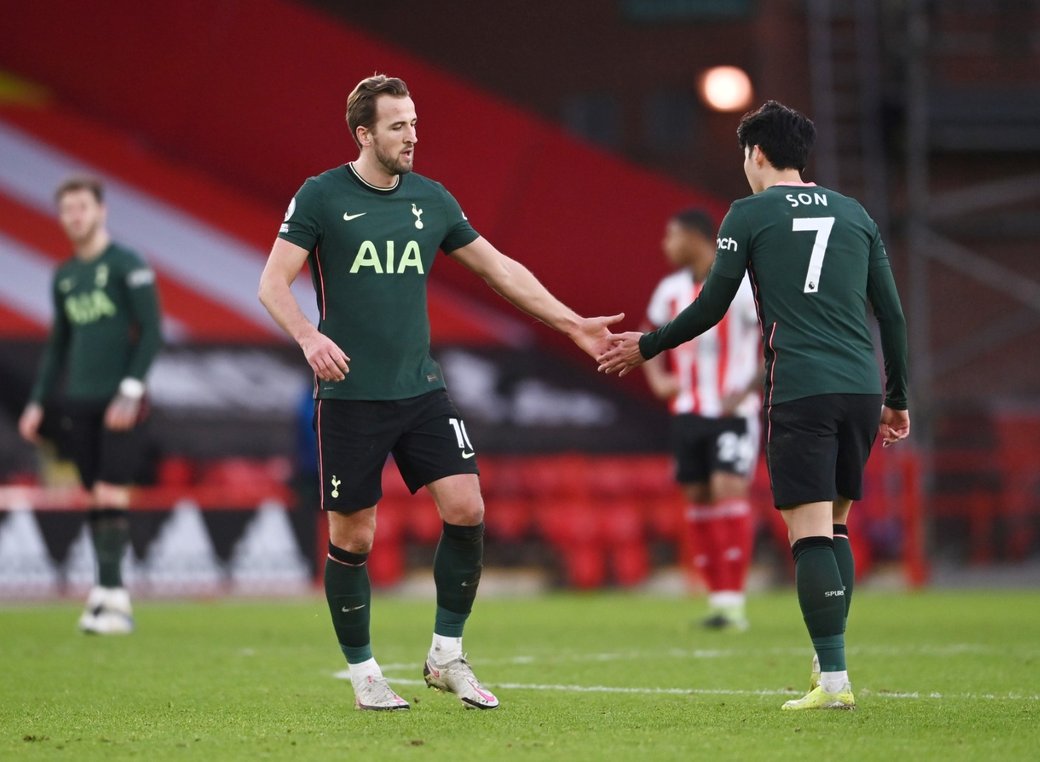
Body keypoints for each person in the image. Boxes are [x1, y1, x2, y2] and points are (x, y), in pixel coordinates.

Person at [258, 74, 622, 711]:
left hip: (421, 389)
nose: (412, 136)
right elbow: (272, 284)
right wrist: (309, 339)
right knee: (355, 538)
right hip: (349, 396)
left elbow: (499, 268)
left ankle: (445, 656)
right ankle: (365, 672)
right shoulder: (321, 196)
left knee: (467, 508)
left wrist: (571, 323)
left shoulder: (431, 200)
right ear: (364, 133)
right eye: (397, 125)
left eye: (414, 122)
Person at [598, 100, 909, 711]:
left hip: (802, 387)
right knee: (836, 523)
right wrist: (897, 397)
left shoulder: (749, 213)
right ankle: (828, 665)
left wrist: (647, 346)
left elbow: (713, 304)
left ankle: (837, 683)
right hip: (860, 387)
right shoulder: (854, 213)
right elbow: (891, 315)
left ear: (756, 155)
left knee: (809, 532)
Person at [18, 175, 163, 635]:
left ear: (101, 210)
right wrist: (38, 402)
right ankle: (103, 593)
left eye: (82, 207)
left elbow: (153, 331)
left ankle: (116, 600)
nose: (75, 216)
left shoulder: (127, 263)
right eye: (67, 209)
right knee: (92, 495)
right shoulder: (64, 276)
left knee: (110, 491)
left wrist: (132, 388)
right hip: (77, 400)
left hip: (120, 400)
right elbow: (58, 344)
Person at [641, 209, 761, 631]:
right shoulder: (670, 290)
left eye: (671, 235)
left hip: (732, 413)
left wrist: (748, 390)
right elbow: (647, 332)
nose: (666, 245)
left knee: (728, 489)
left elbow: (773, 338)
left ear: (695, 237)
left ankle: (734, 601)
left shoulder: (743, 285)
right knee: (697, 500)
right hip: (688, 410)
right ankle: (718, 599)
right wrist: (658, 379)